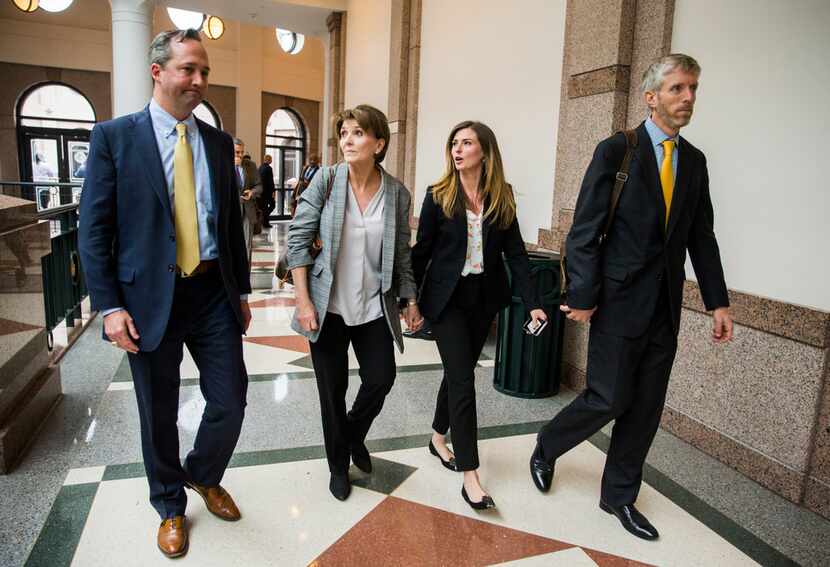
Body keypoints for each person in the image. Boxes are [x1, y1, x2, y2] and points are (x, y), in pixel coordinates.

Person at [530, 54, 733, 541]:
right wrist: (581, 293)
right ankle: (548, 443)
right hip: (618, 302)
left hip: (664, 306)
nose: (688, 98)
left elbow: (701, 236)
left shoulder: (696, 162)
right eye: (678, 89)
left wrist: (717, 301)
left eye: (693, 90)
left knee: (645, 407)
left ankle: (618, 495)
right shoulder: (617, 151)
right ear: (651, 97)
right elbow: (584, 231)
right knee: (608, 396)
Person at [78, 29, 252, 558]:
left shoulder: (219, 144)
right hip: (148, 297)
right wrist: (109, 306)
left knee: (231, 398)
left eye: (204, 71)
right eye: (188, 70)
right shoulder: (115, 137)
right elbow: (94, 228)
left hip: (211, 293)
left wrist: (240, 292)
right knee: (158, 409)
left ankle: (202, 472)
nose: (199, 81)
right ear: (159, 72)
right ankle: (170, 505)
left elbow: (228, 226)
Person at [287, 105, 421, 501]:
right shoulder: (327, 181)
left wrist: (409, 297)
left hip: (373, 307)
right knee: (333, 391)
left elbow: (401, 255)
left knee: (381, 378)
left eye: (358, 133)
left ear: (379, 143)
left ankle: (352, 436)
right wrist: (303, 301)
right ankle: (336, 466)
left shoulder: (397, 193)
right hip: (327, 307)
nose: (348, 140)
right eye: (344, 133)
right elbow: (298, 241)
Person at [411, 121, 547, 511]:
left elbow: (516, 254)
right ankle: (471, 475)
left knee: (457, 373)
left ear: (484, 152)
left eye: (466, 143)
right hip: (447, 300)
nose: (457, 149)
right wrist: (410, 302)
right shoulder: (438, 195)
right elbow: (422, 252)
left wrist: (534, 300)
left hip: (483, 298)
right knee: (464, 380)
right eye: (454, 143)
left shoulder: (500, 196)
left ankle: (438, 437)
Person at [233, 139, 262, 261]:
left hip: (247, 211)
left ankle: (245, 277)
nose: (240, 155)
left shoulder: (251, 165)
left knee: (246, 246)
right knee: (231, 246)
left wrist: (252, 192)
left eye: (242, 152)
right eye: (237, 152)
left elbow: (259, 185)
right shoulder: (222, 165)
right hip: (231, 210)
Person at [258, 154, 276, 227]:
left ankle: (264, 220)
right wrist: (273, 191)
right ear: (268, 160)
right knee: (272, 205)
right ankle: (265, 221)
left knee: (264, 207)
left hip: (261, 192)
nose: (271, 161)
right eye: (271, 159)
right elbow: (270, 181)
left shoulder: (260, 167)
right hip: (267, 192)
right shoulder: (269, 168)